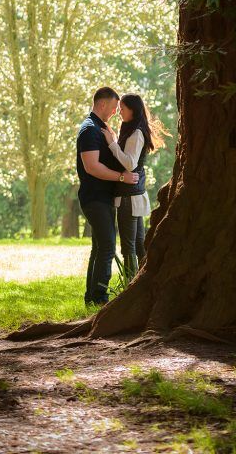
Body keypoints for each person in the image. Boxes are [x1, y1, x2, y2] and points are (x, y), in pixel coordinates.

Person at [76, 86, 139, 306]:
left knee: (99, 247)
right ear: (102, 104)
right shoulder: (89, 130)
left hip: (104, 198)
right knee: (108, 247)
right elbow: (92, 167)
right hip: (95, 198)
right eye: (113, 107)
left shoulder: (101, 127)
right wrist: (122, 178)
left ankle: (91, 298)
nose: (115, 112)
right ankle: (100, 298)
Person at [101, 93, 168, 282]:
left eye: (122, 108)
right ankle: (142, 283)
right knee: (138, 244)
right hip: (131, 195)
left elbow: (129, 163)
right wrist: (115, 139)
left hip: (129, 197)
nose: (119, 111)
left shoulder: (137, 132)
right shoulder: (131, 129)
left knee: (130, 246)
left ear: (133, 110)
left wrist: (112, 144)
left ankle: (131, 285)